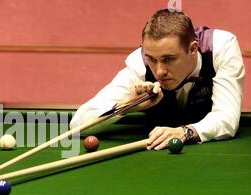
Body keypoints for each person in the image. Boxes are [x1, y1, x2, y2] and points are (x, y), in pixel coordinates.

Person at [70, 9, 245, 150]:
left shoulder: (220, 49)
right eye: (152, 59)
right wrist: (128, 105)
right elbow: (78, 124)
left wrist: (185, 132)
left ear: (193, 49)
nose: (159, 71)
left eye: (169, 59)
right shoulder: (139, 64)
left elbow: (227, 118)